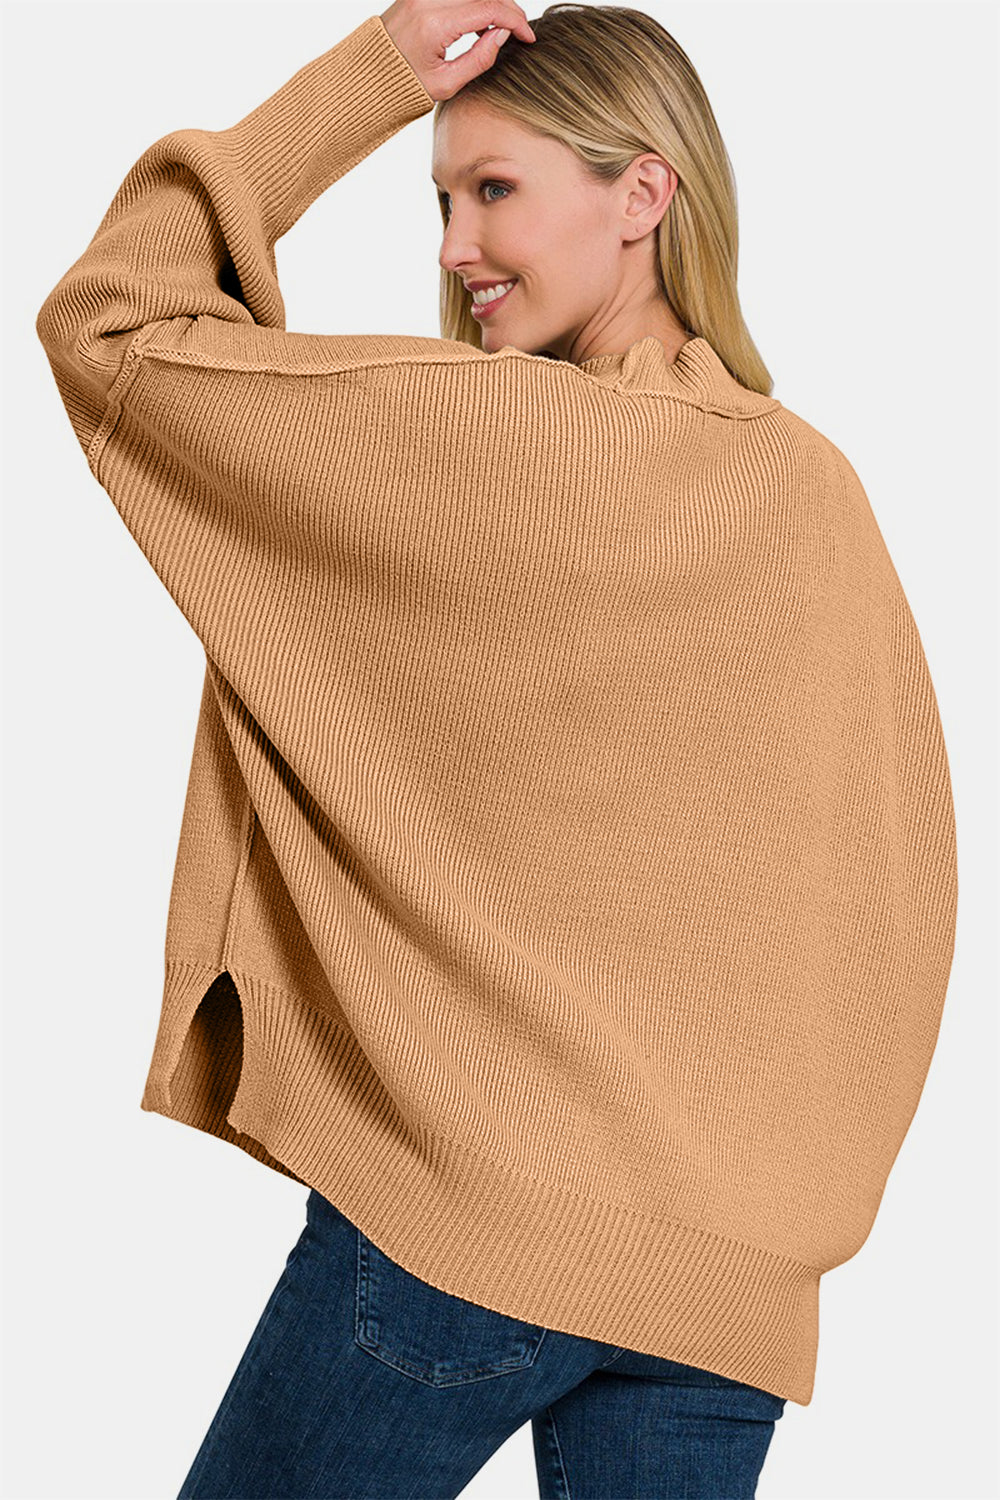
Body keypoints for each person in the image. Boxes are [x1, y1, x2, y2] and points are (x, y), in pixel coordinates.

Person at [35, 2, 958, 1497]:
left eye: (496, 188)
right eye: (443, 196)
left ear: (643, 193)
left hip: (478, 1229)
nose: (458, 242)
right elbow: (896, 894)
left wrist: (374, 79)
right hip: (726, 1293)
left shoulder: (488, 441)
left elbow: (111, 327)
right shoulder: (810, 491)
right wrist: (786, 1218)